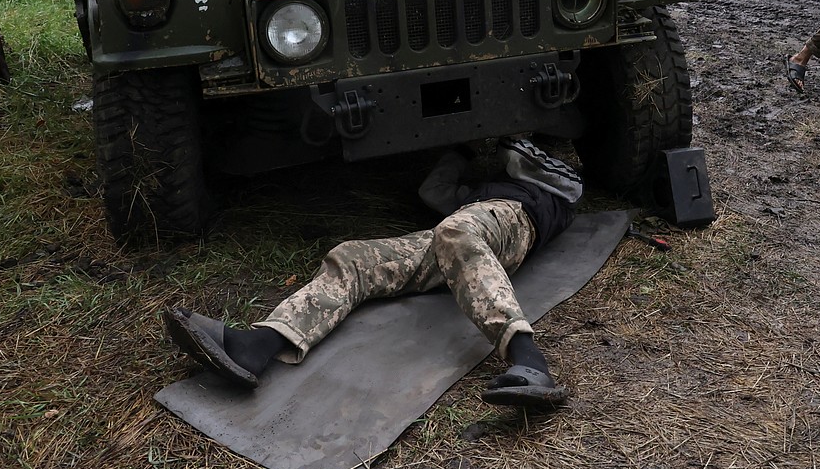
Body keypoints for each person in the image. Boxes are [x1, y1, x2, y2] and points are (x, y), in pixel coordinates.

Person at [163, 137, 583, 408]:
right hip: (461, 236)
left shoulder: (553, 190)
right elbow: (432, 192)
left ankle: (531, 360)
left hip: (509, 224)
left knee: (456, 229)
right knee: (354, 258)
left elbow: (526, 155)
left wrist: (491, 125)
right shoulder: (477, 195)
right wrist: (461, 149)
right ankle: (258, 345)